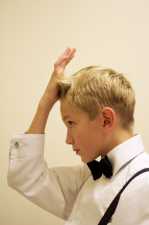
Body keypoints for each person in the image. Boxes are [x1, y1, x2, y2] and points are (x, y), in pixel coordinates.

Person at [7, 47, 149, 225]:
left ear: (106, 120)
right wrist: (46, 102)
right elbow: (25, 177)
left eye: (71, 123)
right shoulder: (88, 176)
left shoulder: (144, 186)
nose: (68, 140)